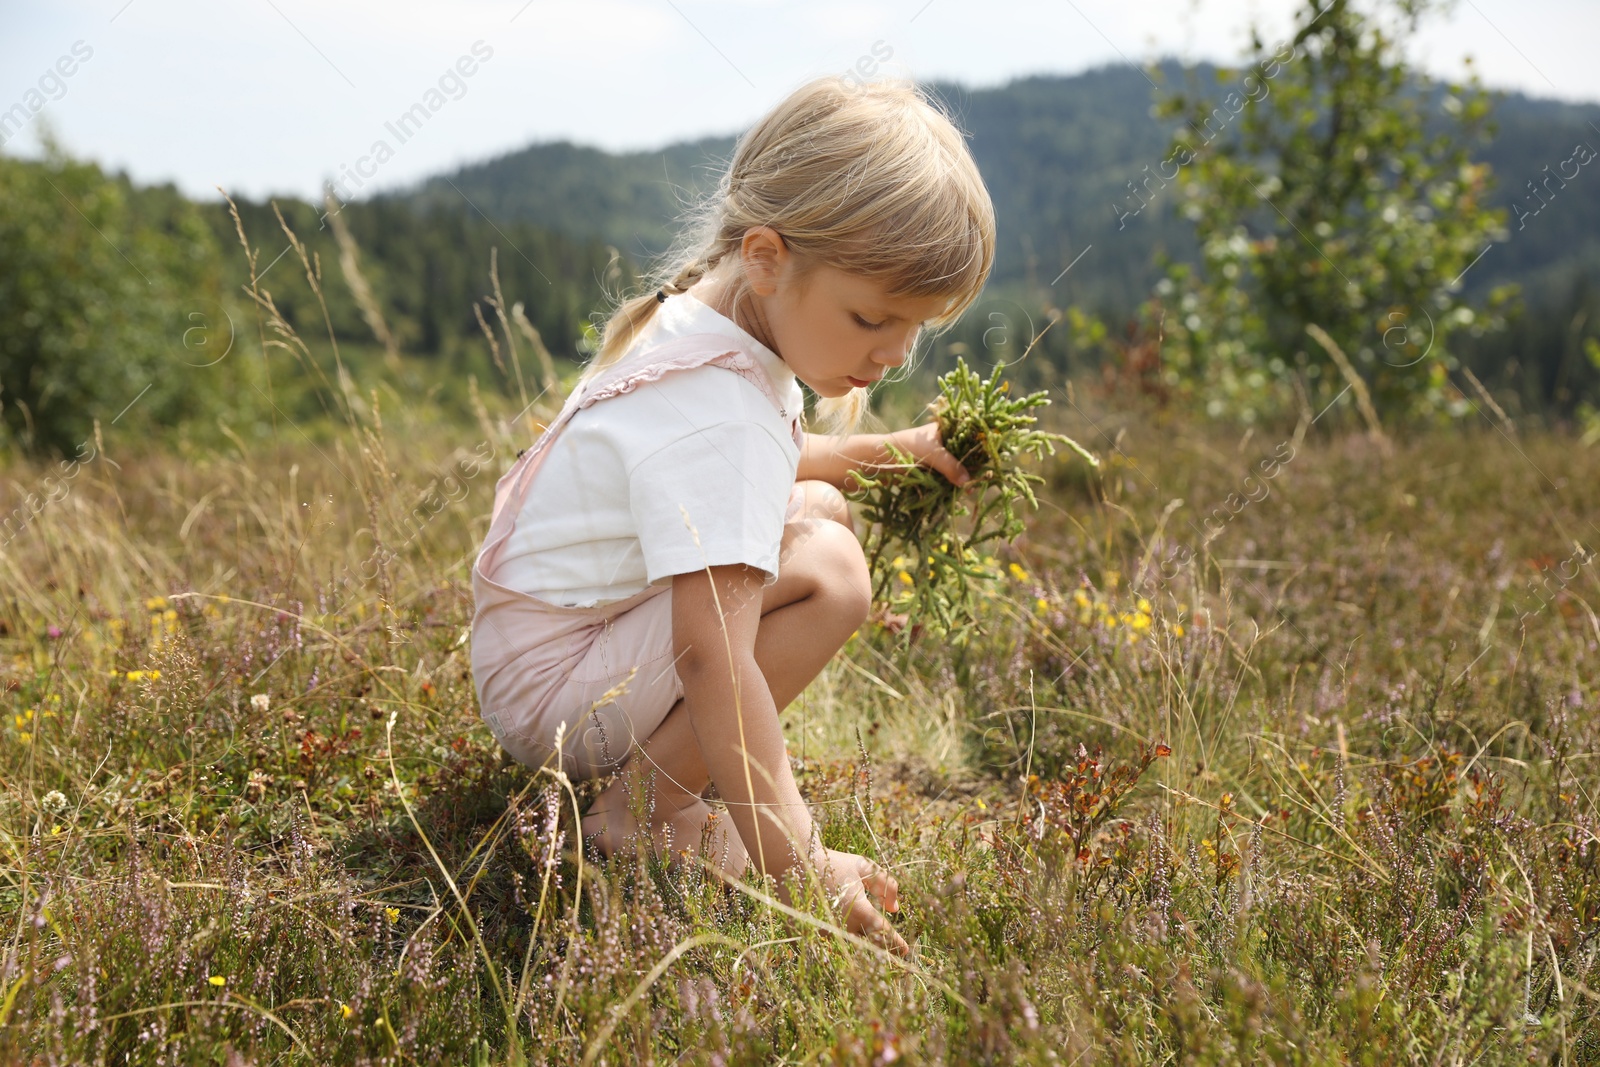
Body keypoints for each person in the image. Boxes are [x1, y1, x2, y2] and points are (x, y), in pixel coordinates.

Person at [470, 73, 996, 956]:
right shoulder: (722, 409)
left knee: (818, 506)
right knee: (831, 572)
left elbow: (744, 473)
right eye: (872, 316)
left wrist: (887, 452)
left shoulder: (709, 320)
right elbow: (710, 655)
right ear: (767, 256)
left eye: (916, 330)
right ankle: (644, 809)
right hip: (558, 689)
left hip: (542, 652)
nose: (894, 354)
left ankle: (659, 786)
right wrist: (801, 871)